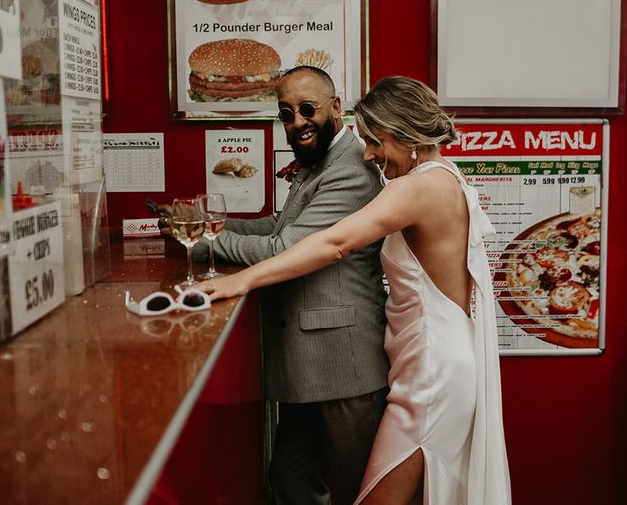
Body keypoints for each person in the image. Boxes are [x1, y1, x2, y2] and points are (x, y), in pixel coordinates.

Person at [192, 76, 512, 505]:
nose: (369, 155)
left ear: (403, 134)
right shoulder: (443, 177)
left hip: (433, 374)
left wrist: (241, 279)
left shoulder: (417, 188)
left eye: (375, 142)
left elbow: (334, 243)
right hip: (426, 362)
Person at [160, 66, 390, 505]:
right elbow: (280, 224)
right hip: (309, 365)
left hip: (343, 364)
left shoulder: (350, 172)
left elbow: (285, 247)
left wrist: (207, 238)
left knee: (364, 492)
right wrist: (211, 229)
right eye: (287, 114)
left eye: (308, 110)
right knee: (290, 479)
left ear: (336, 107)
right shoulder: (321, 161)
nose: (297, 123)